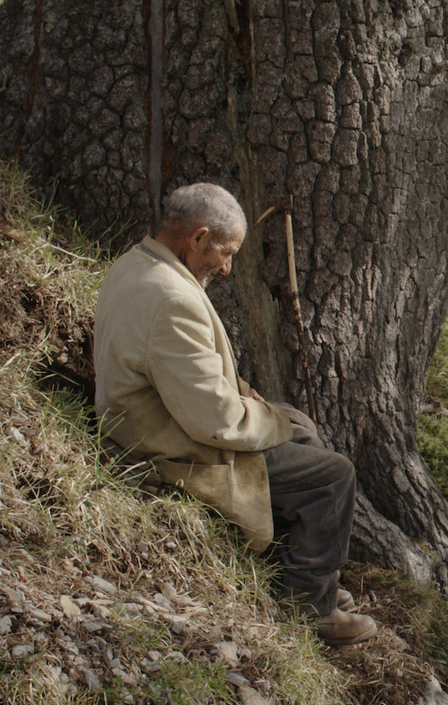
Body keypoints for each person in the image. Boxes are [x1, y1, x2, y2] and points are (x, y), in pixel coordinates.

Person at [93, 182, 376, 646]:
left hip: (151, 414)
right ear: (198, 237)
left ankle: (310, 571)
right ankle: (309, 609)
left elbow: (185, 368)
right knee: (332, 475)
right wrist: (272, 419)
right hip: (164, 443)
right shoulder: (173, 299)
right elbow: (215, 421)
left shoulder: (137, 263)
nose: (226, 267)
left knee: (302, 430)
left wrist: (259, 402)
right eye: (224, 253)